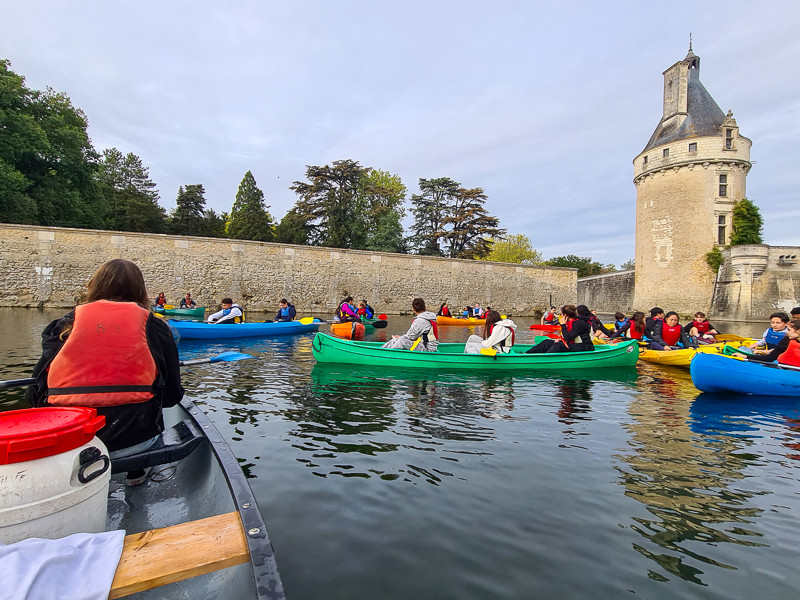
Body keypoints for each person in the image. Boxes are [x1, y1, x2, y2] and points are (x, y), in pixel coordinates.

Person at [26, 259, 184, 486]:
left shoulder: (64, 326)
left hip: (70, 441)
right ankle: (136, 475)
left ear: (95, 285)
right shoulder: (155, 327)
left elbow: (35, 394)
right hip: (134, 442)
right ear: (141, 290)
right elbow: (171, 398)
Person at [526, 305, 595, 353]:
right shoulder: (571, 322)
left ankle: (544, 358)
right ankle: (527, 354)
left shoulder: (579, 323)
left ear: (565, 316)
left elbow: (568, 338)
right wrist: (561, 340)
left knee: (558, 345)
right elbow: (568, 337)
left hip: (585, 347)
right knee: (547, 342)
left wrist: (563, 325)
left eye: (561, 314)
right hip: (575, 344)